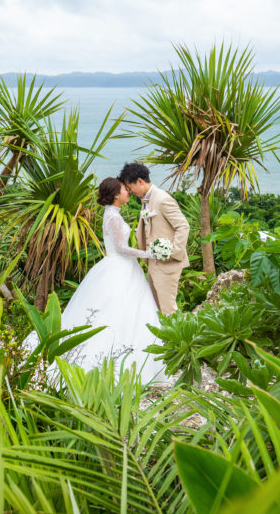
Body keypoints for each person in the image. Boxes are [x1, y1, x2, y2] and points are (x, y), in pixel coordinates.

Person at [26, 177, 167, 383]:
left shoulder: (113, 214)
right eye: (124, 190)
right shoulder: (112, 216)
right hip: (118, 268)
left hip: (124, 268)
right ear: (116, 195)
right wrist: (148, 253)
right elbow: (121, 248)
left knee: (131, 313)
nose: (128, 192)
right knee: (114, 313)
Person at [118, 162, 190, 315]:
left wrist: (171, 253)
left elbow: (183, 226)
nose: (130, 191)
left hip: (166, 265)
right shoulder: (146, 200)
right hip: (153, 263)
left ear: (140, 181)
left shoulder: (163, 199)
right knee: (156, 307)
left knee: (167, 308)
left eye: (130, 187)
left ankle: (177, 338)